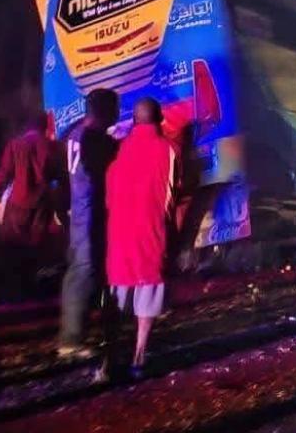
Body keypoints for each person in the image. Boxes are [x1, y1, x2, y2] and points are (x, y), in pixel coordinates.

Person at [104, 98, 178, 378]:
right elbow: (172, 194)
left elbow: (109, 197)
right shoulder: (169, 150)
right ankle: (138, 356)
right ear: (160, 120)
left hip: (119, 235)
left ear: (134, 121)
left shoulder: (118, 151)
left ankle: (110, 358)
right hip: (151, 232)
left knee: (117, 298)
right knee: (147, 293)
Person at [57, 89, 120, 359]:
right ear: (105, 111)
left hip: (79, 213)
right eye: (115, 108)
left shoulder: (74, 134)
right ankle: (71, 339)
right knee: (83, 271)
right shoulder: (95, 140)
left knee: (80, 271)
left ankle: (78, 332)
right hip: (91, 213)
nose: (117, 114)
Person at [0, 112, 64, 300]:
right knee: (37, 256)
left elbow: (4, 173)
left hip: (17, 210)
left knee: (13, 257)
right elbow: (61, 177)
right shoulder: (53, 147)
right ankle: (35, 296)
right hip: (41, 208)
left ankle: (15, 298)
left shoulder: (16, 144)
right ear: (44, 126)